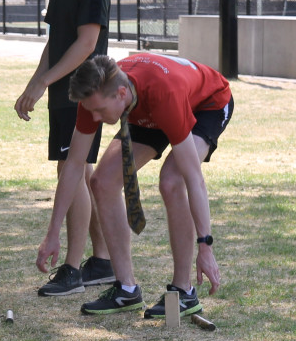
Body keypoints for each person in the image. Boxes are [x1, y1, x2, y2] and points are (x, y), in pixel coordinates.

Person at [37, 53, 233, 318]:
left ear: (120, 94)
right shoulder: (95, 96)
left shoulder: (164, 93)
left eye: (99, 111)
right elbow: (73, 166)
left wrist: (205, 246)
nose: (94, 118)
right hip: (145, 108)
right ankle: (126, 289)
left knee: (172, 180)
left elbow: (193, 179)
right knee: (102, 181)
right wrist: (52, 233)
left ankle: (183, 291)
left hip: (206, 103)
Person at [14, 0, 114, 298]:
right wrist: (35, 83)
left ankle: (72, 268)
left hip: (85, 95)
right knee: (82, 177)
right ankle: (103, 261)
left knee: (69, 175)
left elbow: (86, 45)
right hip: (62, 95)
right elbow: (55, 45)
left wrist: (44, 83)